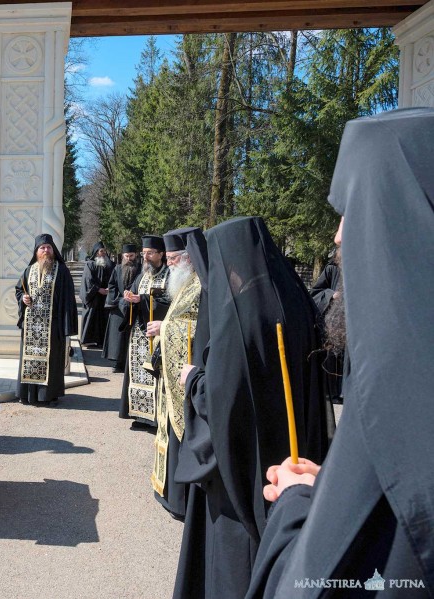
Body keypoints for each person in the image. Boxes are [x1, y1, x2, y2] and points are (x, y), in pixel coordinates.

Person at [248, 108, 434, 598]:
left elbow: (321, 581)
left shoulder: (398, 396)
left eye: (352, 209)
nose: (336, 235)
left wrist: (295, 504)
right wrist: (333, 483)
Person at [171, 216, 332, 599]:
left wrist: (193, 378)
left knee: (235, 567)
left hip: (241, 477)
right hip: (291, 463)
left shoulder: (240, 318)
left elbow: (221, 399)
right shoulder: (296, 302)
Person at [148, 227, 205, 520]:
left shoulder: (201, 284)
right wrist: (165, 326)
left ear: (188, 258)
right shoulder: (184, 284)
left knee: (183, 432)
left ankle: (182, 500)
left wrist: (165, 328)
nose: (168, 264)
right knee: (169, 430)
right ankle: (168, 492)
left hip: (189, 373)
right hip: (173, 372)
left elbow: (204, 328)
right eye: (167, 259)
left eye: (173, 259)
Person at [15, 233, 78, 406]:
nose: (45, 250)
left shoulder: (62, 270)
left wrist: (66, 326)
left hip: (53, 325)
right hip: (31, 327)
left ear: (53, 250)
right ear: (36, 251)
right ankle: (28, 395)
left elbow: (68, 298)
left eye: (48, 247)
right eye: (42, 248)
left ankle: (48, 395)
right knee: (30, 359)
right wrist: (23, 299)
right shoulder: (29, 270)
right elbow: (19, 290)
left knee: (51, 361)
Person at [118, 235, 171, 425]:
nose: (146, 257)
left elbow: (170, 303)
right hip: (138, 335)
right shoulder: (142, 276)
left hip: (156, 334)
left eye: (150, 253)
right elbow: (131, 299)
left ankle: (155, 419)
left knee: (155, 375)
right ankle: (140, 416)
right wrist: (129, 299)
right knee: (137, 373)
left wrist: (143, 300)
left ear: (161, 254)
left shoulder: (169, 275)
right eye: (144, 253)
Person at [308, 246, 346, 404]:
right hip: (334, 324)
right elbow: (315, 294)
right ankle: (333, 393)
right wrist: (332, 295)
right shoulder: (332, 269)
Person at [102, 243, 141, 372]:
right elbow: (112, 286)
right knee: (117, 338)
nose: (129, 258)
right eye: (127, 256)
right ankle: (117, 363)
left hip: (135, 306)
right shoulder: (117, 269)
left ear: (135, 255)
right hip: (118, 307)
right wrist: (119, 300)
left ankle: (130, 363)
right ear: (123, 256)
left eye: (131, 256)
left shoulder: (141, 269)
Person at [79, 241, 115, 348]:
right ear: (96, 252)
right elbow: (88, 281)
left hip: (105, 298)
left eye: (104, 251)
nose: (103, 253)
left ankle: (102, 341)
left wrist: (110, 288)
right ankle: (88, 340)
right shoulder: (90, 265)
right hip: (93, 297)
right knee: (92, 317)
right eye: (101, 251)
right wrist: (99, 289)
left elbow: (114, 278)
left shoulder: (109, 265)